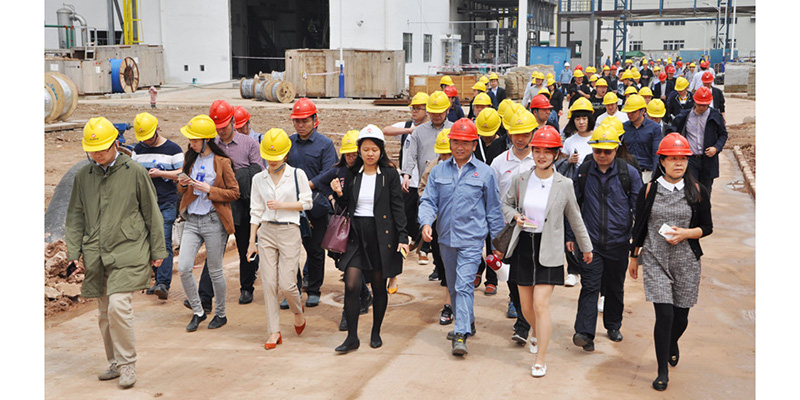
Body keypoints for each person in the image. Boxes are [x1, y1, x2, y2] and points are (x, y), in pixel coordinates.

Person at [66, 117, 167, 389]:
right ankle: (115, 362)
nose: (96, 155)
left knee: (118, 307)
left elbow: (151, 212)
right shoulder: (83, 177)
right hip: (96, 253)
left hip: (129, 249)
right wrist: (74, 251)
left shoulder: (134, 172)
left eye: (101, 149)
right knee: (104, 312)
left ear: (115, 144)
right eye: (92, 150)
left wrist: (158, 249)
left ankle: (128, 364)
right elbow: (75, 216)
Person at [501, 125, 593, 377]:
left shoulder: (564, 184)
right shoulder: (520, 179)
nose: (541, 155)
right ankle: (536, 331)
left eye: (547, 151)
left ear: (556, 154)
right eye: (537, 150)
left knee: (541, 304)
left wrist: (586, 247)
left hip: (549, 248)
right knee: (526, 307)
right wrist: (516, 216)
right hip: (523, 246)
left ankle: (541, 358)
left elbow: (575, 218)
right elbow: (506, 204)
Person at [628, 133, 713, 392]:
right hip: (656, 260)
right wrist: (634, 256)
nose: (678, 163)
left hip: (687, 261)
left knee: (681, 317)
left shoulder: (697, 190)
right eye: (673, 158)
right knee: (664, 315)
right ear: (662, 161)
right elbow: (640, 226)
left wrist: (686, 233)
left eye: (683, 158)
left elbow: (707, 227)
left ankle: (671, 341)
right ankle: (662, 371)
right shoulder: (649, 190)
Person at [418, 118, 505, 356]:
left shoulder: (485, 173)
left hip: (472, 240)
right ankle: (468, 321)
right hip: (445, 239)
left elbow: (493, 210)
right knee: (454, 287)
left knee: (464, 285)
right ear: (450, 143)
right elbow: (428, 201)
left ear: (474, 145)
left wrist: (498, 243)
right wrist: (426, 222)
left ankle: (460, 333)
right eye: (456, 141)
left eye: (465, 142)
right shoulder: (438, 171)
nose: (460, 147)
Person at [331, 125, 408, 353]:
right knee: (351, 285)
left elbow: (397, 207)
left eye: (374, 149)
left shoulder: (389, 175)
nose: (370, 153)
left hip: (380, 235)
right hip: (356, 235)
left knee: (378, 286)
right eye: (365, 149)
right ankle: (352, 337)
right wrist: (339, 193)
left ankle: (375, 331)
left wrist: (403, 236)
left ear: (381, 150)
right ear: (360, 151)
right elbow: (347, 205)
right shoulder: (353, 174)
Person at [569, 124, 642, 352]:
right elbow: (573, 206)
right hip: (590, 243)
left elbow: (639, 209)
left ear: (616, 150)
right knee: (590, 286)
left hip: (618, 242)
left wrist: (636, 242)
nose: (602, 155)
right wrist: (571, 235)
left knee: (614, 287)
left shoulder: (628, 173)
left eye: (607, 151)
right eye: (597, 150)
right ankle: (584, 333)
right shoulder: (584, 171)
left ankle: (613, 325)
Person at [193, 100, 263, 311]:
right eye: (217, 127)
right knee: (214, 250)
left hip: (242, 203)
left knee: (244, 246)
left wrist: (234, 178)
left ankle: (246, 287)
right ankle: (204, 297)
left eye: (224, 126)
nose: (221, 131)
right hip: (218, 203)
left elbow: (258, 172)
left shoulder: (249, 144)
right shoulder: (211, 144)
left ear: (233, 121)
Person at [246, 128, 311, 349]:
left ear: (286, 154)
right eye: (268, 157)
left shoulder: (297, 175)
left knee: (287, 284)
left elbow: (307, 202)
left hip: (289, 231)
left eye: (276, 157)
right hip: (265, 232)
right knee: (268, 283)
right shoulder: (258, 178)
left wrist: (283, 205)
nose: (272, 161)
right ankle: (273, 331)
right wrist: (251, 242)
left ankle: (297, 311)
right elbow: (255, 210)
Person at [176, 115, 240, 332]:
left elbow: (234, 193)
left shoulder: (222, 162)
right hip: (192, 220)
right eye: (191, 140)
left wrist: (210, 190)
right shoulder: (190, 159)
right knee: (184, 268)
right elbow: (182, 190)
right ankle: (198, 311)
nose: (191, 143)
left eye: (195, 140)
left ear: (206, 140)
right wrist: (183, 183)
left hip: (213, 221)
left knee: (215, 271)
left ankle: (221, 314)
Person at [287, 98, 338, 307]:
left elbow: (330, 171)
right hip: (291, 205)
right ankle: (293, 289)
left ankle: (314, 289)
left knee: (315, 250)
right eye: (297, 121)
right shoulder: (288, 143)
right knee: (290, 250)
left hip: (316, 205)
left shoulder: (325, 145)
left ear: (314, 120)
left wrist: (307, 184)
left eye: (305, 121)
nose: (300, 125)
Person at [490, 111, 535, 348]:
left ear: (532, 134)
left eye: (525, 134)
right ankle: (522, 318)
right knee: (512, 277)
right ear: (509, 133)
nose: (520, 138)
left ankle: (526, 322)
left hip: (533, 229)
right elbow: (491, 197)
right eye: (516, 134)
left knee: (529, 276)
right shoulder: (499, 163)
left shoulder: (540, 160)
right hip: (507, 229)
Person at [131, 112, 184, 301]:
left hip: (166, 201)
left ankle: (163, 283)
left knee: (164, 240)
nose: (146, 142)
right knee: (149, 241)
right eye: (143, 138)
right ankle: (155, 280)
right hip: (145, 203)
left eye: (149, 137)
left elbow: (183, 174)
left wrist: (161, 174)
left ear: (158, 130)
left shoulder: (173, 150)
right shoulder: (138, 149)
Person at [383, 91, 428, 265]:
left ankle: (424, 249)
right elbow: (386, 130)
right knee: (406, 214)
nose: (414, 111)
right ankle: (416, 239)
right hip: (408, 180)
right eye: (413, 108)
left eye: (418, 108)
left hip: (424, 180)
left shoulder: (430, 129)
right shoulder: (407, 126)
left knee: (423, 215)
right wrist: (409, 130)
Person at [419, 129, 455, 324]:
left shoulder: (470, 169)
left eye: (449, 154)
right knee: (443, 263)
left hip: (460, 227)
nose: (446, 158)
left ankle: (452, 305)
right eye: (443, 154)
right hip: (438, 224)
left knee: (459, 268)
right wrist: (429, 216)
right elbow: (423, 190)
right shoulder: (433, 167)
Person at [472, 107, 507, 295]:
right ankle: (478, 267)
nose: (486, 138)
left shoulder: (502, 145)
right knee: (475, 236)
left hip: (495, 198)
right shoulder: (474, 143)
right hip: (477, 197)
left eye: (489, 134)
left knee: (493, 239)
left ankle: (491, 279)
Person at [669, 87, 727, 195]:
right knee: (692, 191)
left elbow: (723, 134)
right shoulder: (684, 117)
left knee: (705, 192)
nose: (702, 107)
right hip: (691, 160)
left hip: (708, 160)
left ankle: (704, 206)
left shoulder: (715, 116)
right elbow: (673, 133)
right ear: (694, 101)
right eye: (699, 104)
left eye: (705, 105)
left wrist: (716, 148)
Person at [402, 90, 454, 197]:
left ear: (447, 110)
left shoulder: (454, 130)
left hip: (451, 186)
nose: (436, 116)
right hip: (426, 186)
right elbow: (411, 156)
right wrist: (406, 175)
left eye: (440, 113)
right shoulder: (419, 132)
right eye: (433, 113)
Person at [622, 94, 663, 183]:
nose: (629, 115)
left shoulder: (654, 128)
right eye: (628, 112)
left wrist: (654, 175)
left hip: (646, 172)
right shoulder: (623, 128)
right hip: (627, 172)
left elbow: (656, 153)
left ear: (643, 110)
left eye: (633, 112)